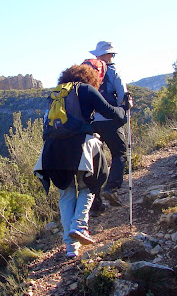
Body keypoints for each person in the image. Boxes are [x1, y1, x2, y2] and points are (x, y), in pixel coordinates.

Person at [34, 62, 132, 259]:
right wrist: (125, 106)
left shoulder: (55, 93)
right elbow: (114, 115)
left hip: (53, 151)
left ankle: (71, 247)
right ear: (91, 78)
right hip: (80, 147)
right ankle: (80, 226)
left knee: (67, 193)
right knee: (89, 186)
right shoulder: (86, 90)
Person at [87, 41, 128, 211]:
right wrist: (123, 110)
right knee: (120, 153)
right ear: (110, 55)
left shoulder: (88, 73)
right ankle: (112, 188)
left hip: (91, 122)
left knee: (95, 162)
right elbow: (123, 96)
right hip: (109, 120)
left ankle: (95, 205)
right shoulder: (113, 71)